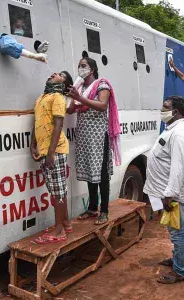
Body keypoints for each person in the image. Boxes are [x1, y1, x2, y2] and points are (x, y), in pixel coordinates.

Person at [143, 96, 184, 284]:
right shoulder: (174, 129)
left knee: (177, 231)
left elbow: (178, 167)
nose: (161, 109)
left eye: (165, 107)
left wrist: (170, 194)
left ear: (176, 112)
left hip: (174, 193)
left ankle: (181, 270)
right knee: (174, 229)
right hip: (169, 191)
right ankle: (178, 259)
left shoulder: (179, 132)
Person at [67, 57, 121, 225]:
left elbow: (102, 105)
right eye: (78, 66)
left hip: (98, 135)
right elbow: (70, 110)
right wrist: (72, 96)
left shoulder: (101, 84)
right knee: (91, 172)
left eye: (83, 66)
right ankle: (92, 208)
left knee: (102, 174)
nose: (80, 69)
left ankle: (103, 211)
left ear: (92, 69)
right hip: (84, 135)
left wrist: (80, 99)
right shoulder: (81, 87)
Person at [30, 71, 74, 244]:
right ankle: (66, 223)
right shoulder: (41, 97)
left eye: (61, 75)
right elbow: (37, 122)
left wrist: (50, 153)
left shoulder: (57, 97)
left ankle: (59, 231)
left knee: (57, 192)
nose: (54, 73)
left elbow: (59, 125)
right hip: (45, 150)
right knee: (58, 189)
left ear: (63, 84)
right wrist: (32, 144)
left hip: (55, 150)